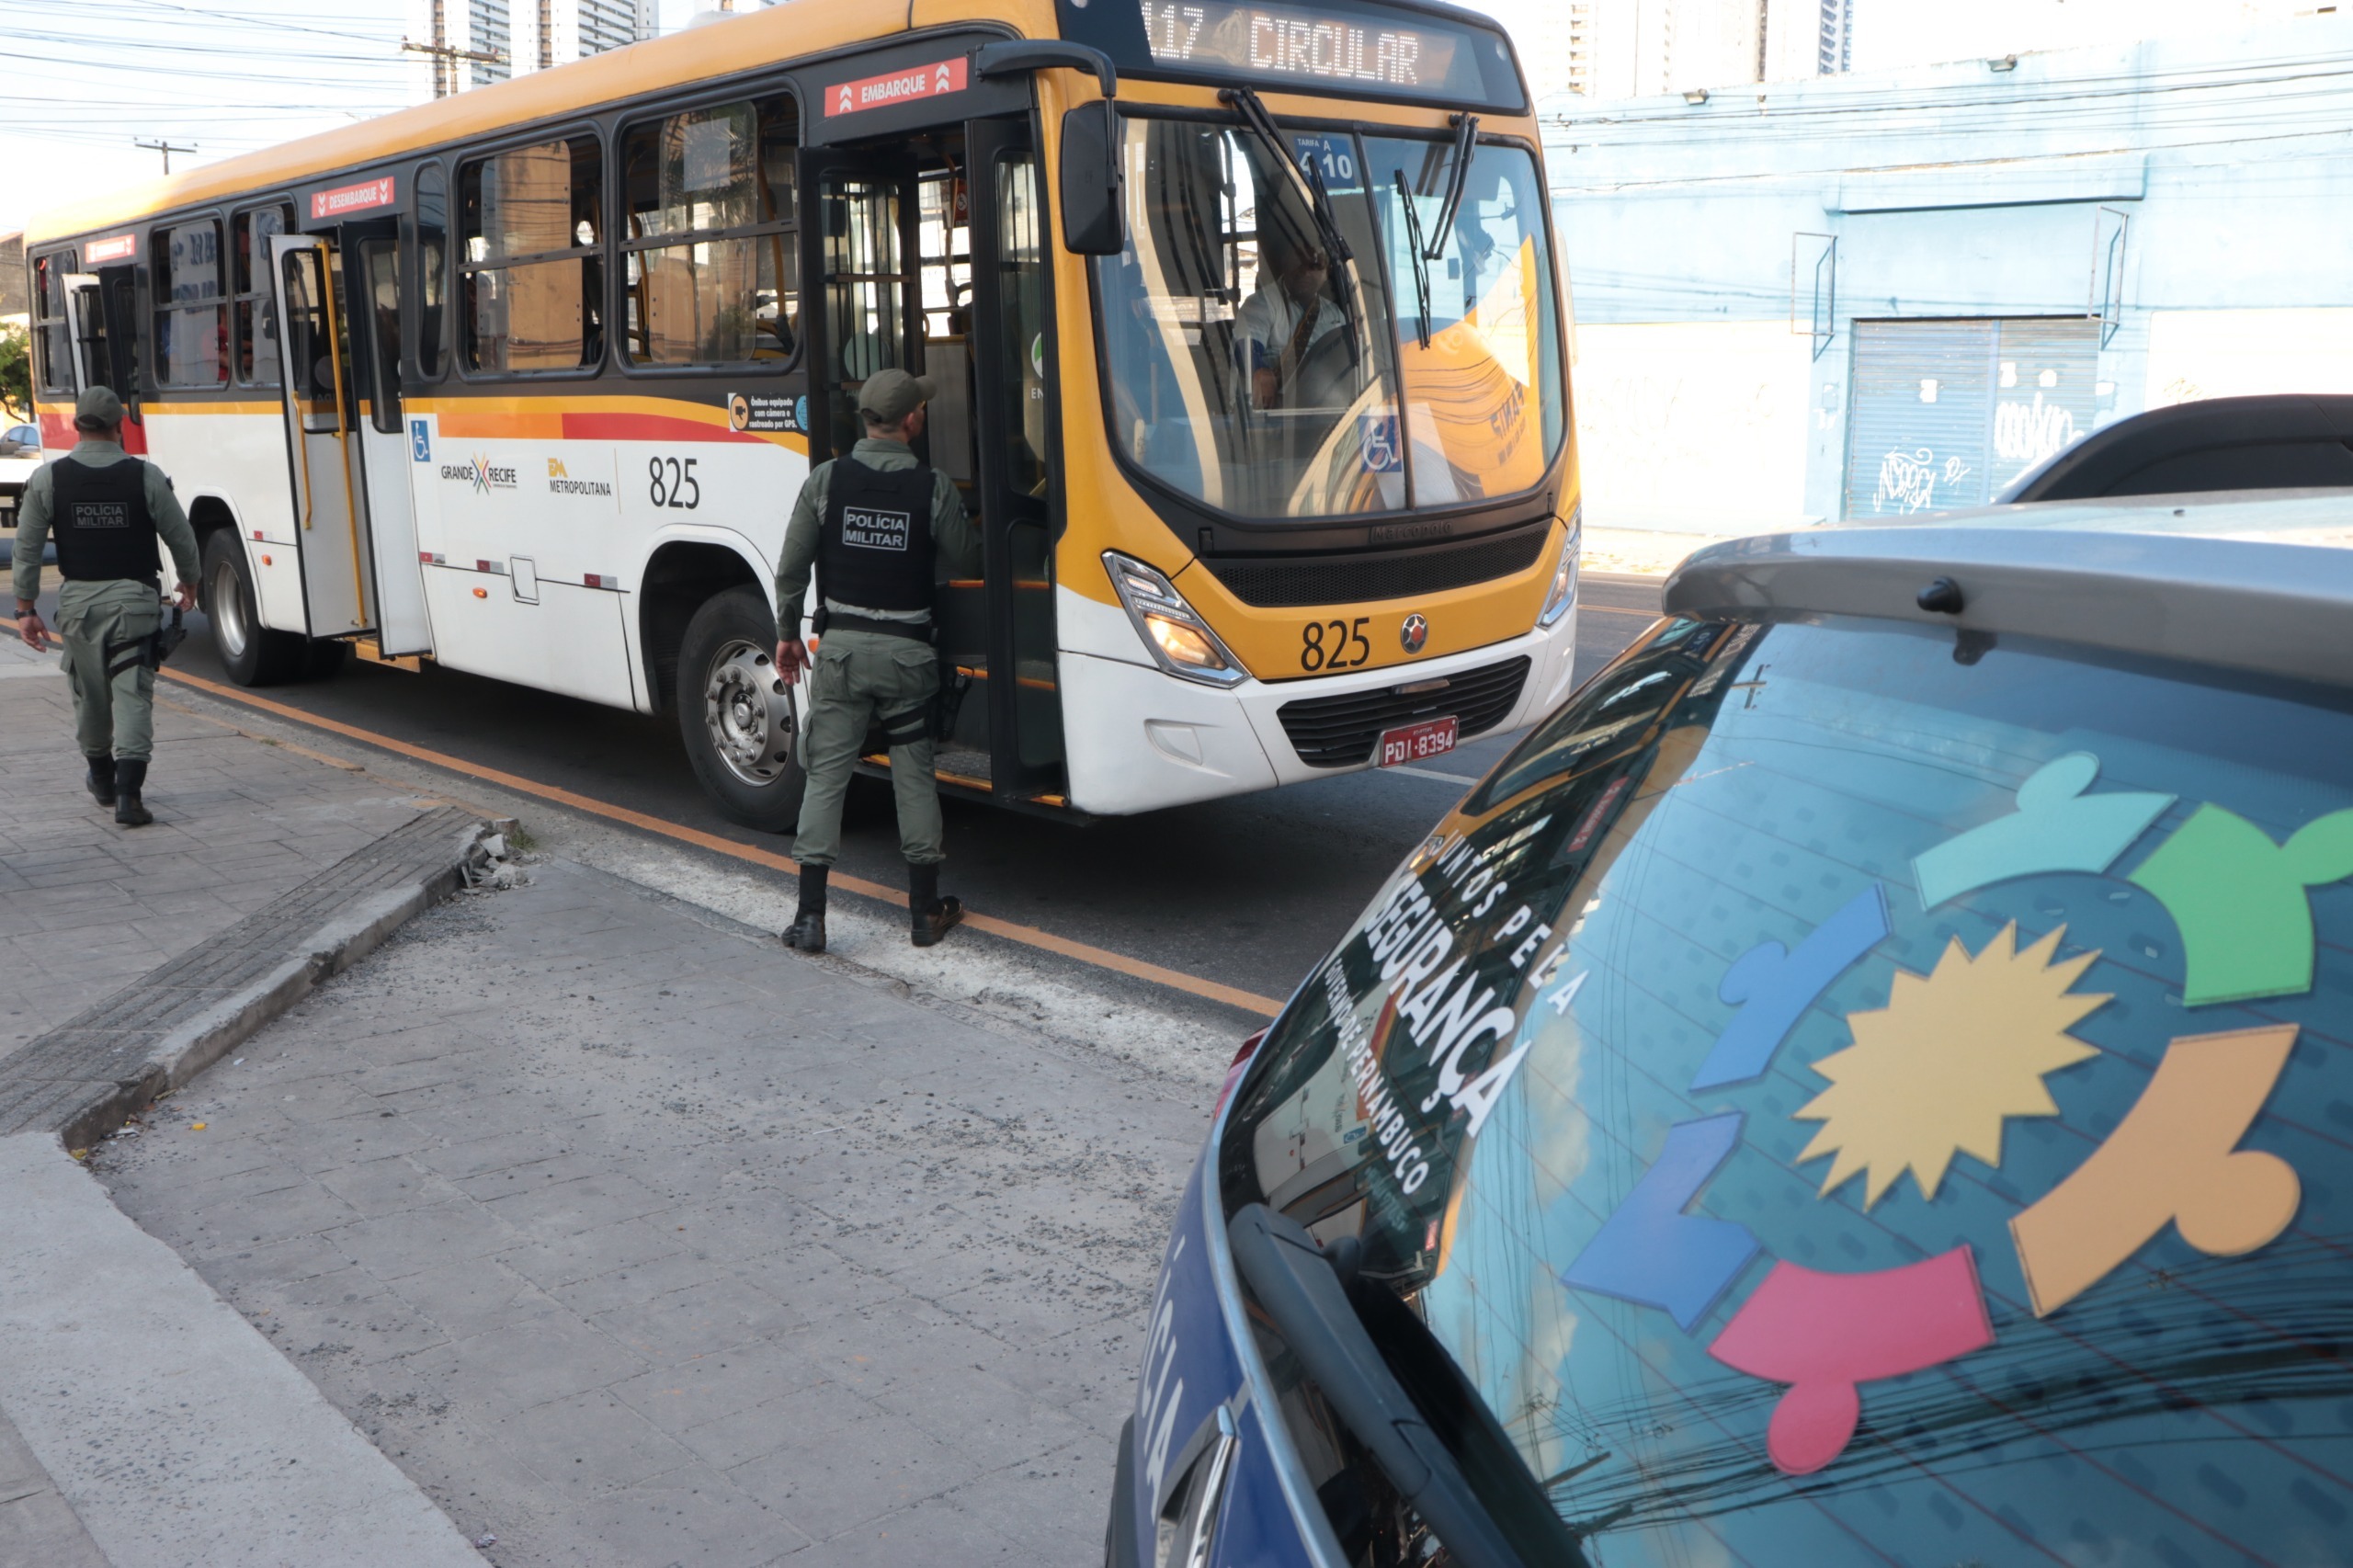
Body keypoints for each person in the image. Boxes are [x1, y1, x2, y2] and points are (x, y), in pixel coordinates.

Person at [772, 369, 981, 951]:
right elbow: (967, 560)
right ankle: (924, 912)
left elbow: (791, 569)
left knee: (825, 776)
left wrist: (788, 633)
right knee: (913, 776)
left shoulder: (826, 482)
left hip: (839, 656)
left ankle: (810, 917)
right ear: (912, 420)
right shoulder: (933, 487)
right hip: (908, 658)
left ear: (866, 418)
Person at [14, 386, 199, 827]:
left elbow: (27, 548)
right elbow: (181, 537)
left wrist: (25, 609)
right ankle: (128, 798)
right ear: (120, 427)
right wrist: (189, 582)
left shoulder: (48, 479)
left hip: (78, 605)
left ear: (77, 426)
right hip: (134, 603)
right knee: (132, 692)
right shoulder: (146, 476)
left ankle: (101, 779)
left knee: (89, 694)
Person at [1234, 239, 1341, 410]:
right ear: (1286, 264)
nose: (1306, 272)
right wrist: (1259, 370)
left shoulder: (1335, 314)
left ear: (1326, 273)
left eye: (1315, 266)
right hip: (1276, 412)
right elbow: (1246, 346)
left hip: (1326, 407)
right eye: (1300, 263)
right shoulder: (1262, 303)